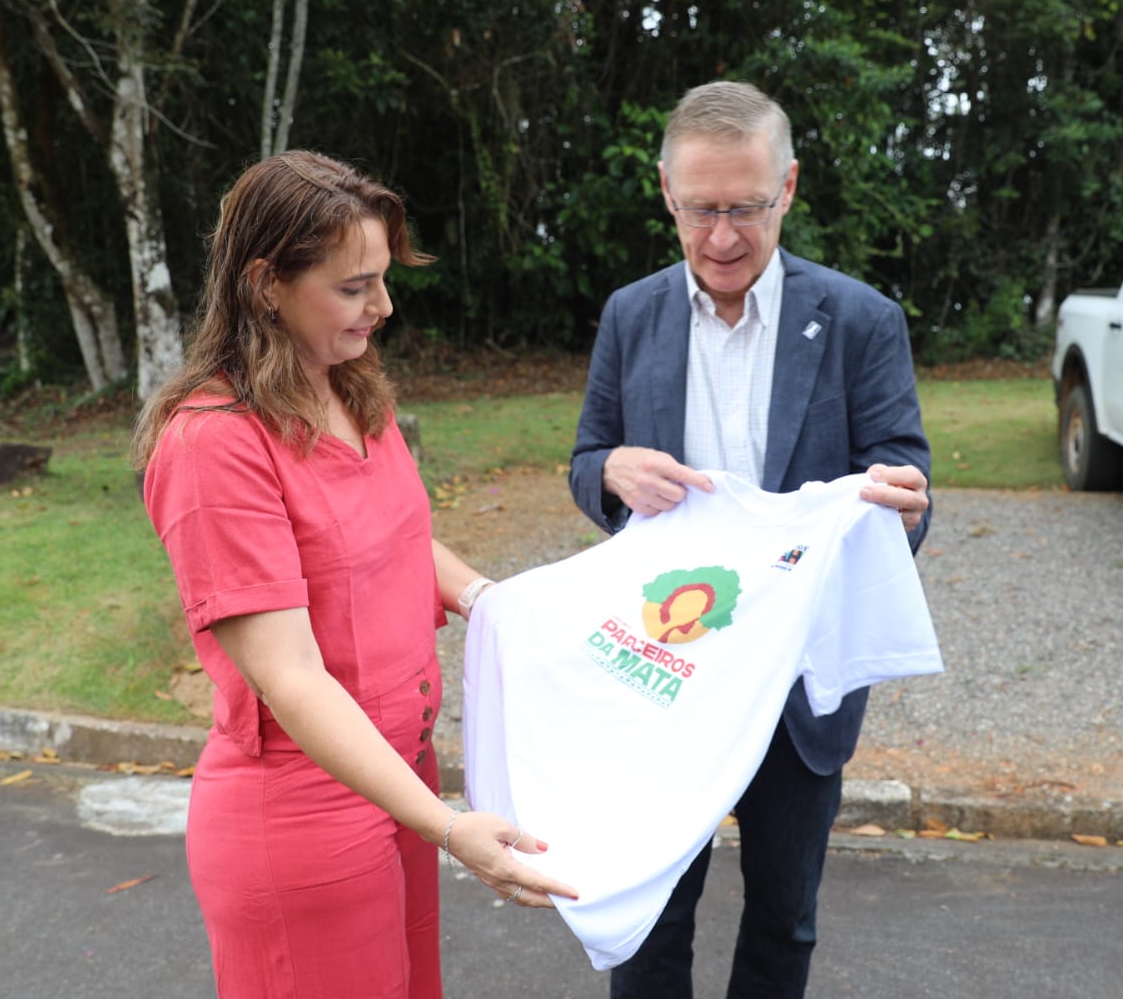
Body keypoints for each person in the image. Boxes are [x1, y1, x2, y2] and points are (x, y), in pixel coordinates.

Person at [132, 150, 577, 999]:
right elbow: (292, 679)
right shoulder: (214, 444)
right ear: (266, 284)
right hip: (303, 817)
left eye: (383, 279)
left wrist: (488, 599)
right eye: (353, 286)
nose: (383, 305)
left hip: (400, 783)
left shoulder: (349, 387)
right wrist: (449, 827)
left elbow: (398, 540)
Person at [568, 80, 932, 999]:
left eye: (746, 209)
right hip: (664, 669)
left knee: (783, 916)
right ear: (665, 192)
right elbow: (587, 459)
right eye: (700, 210)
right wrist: (610, 472)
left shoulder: (860, 320)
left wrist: (901, 506)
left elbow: (904, 478)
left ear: (789, 188)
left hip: (796, 682)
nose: (722, 238)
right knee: (649, 915)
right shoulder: (631, 314)